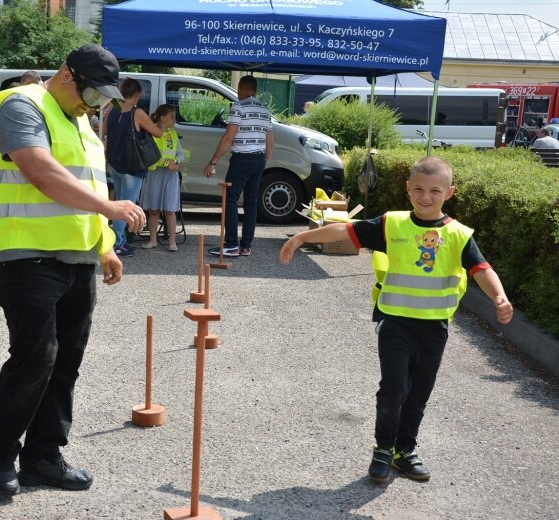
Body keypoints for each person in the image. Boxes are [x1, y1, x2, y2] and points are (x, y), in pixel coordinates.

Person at [279, 156, 513, 483]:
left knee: (418, 392)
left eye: (434, 190)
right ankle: (383, 450)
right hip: (395, 324)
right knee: (393, 389)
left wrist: (499, 297)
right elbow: (348, 231)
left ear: (450, 192)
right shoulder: (393, 224)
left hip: (433, 330)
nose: (425, 196)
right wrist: (301, 237)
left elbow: (482, 270)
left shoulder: (459, 235)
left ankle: (406, 451)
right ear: (407, 188)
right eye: (418, 189)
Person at [0, 43, 145, 497]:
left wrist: (106, 244)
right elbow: (43, 173)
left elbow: (88, 186)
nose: (97, 105)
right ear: (67, 74)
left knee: (65, 363)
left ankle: (44, 457)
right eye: (94, 95)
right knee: (36, 358)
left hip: (78, 261)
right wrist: (112, 208)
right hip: (27, 256)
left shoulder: (83, 122)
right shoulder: (20, 104)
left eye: (104, 99)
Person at [204, 75, 273, 258]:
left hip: (242, 159)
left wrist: (213, 162)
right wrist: (262, 160)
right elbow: (270, 144)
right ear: (255, 91)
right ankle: (246, 246)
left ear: (241, 89)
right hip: (259, 159)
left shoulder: (238, 106)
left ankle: (231, 244)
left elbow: (229, 138)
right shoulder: (265, 110)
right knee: (251, 202)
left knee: (230, 199)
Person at [102, 77, 163, 257]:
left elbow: (105, 133)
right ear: (136, 95)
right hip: (132, 167)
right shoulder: (137, 113)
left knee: (119, 202)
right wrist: (159, 123)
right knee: (126, 206)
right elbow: (158, 133)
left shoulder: (112, 110)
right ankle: (117, 243)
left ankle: (116, 240)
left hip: (114, 163)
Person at [139, 104, 183, 251]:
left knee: (170, 210)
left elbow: (180, 154)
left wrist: (176, 162)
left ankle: (172, 243)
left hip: (170, 176)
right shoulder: (151, 132)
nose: (174, 120)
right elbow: (148, 154)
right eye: (172, 117)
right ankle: (153, 240)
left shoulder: (174, 134)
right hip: (155, 174)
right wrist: (166, 162)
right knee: (154, 210)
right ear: (162, 117)